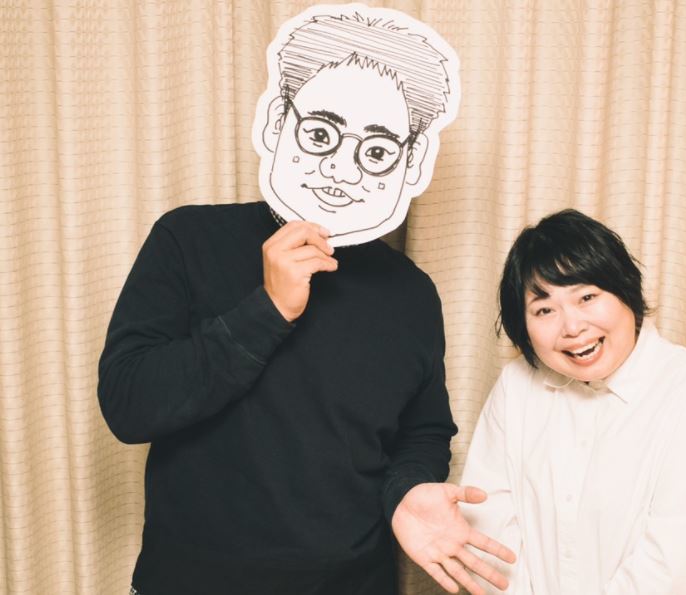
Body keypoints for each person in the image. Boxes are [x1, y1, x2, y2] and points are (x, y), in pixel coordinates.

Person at [98, 7, 512, 595]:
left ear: (412, 160)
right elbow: (128, 405)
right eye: (319, 135)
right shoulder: (187, 239)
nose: (341, 170)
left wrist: (408, 490)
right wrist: (267, 309)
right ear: (276, 123)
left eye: (376, 152)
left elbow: (423, 431)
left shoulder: (410, 292)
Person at [460, 209, 686, 594]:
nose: (572, 327)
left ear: (625, 290)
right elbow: (487, 520)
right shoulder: (516, 385)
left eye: (587, 297)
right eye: (544, 310)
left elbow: (681, 562)